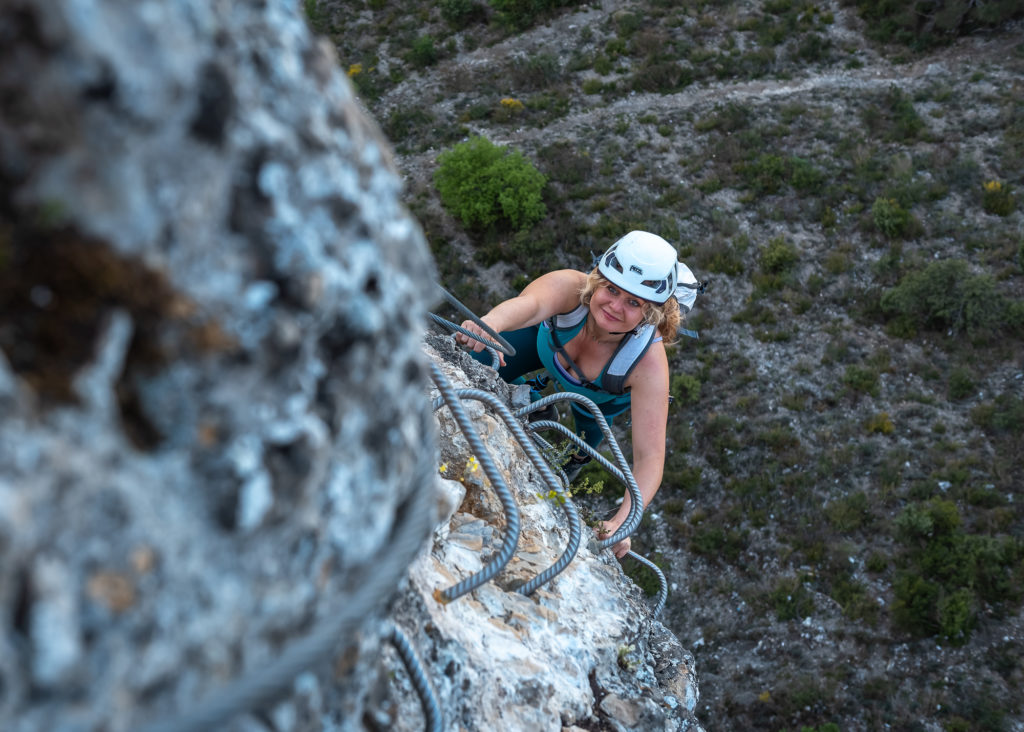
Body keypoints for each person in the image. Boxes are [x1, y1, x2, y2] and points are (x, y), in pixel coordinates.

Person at [456, 231, 701, 558]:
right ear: (598, 279)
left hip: (602, 397)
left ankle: (568, 462)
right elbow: (528, 307)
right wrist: (488, 324)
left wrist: (622, 523)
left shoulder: (648, 365)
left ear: (652, 314)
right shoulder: (570, 288)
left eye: (633, 302)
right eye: (612, 289)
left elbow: (650, 458)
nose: (615, 306)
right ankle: (538, 397)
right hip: (544, 352)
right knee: (473, 362)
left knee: (582, 445)